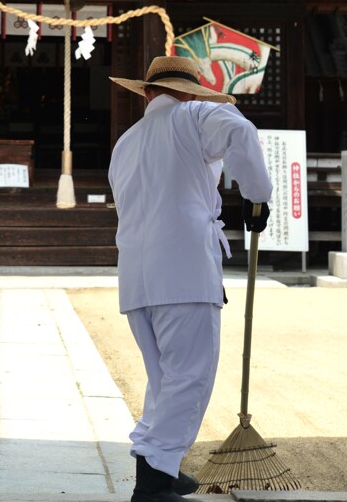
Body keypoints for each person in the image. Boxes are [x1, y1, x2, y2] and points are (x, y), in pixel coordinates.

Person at [108, 55, 272, 502]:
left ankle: (157, 462)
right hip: (182, 268)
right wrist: (256, 198)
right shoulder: (196, 114)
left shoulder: (126, 140)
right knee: (189, 374)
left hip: (137, 275)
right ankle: (156, 477)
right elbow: (240, 130)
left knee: (163, 376)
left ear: (147, 93)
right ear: (193, 92)